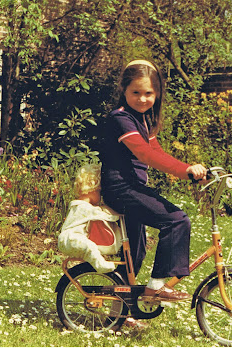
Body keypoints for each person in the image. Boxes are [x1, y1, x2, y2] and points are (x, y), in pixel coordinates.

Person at [99, 59, 207, 302]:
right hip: (121, 189)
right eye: (135, 92)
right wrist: (185, 170)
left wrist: (190, 171)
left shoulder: (144, 120)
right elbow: (144, 154)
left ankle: (120, 313)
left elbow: (156, 152)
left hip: (133, 188)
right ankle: (156, 286)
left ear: (157, 94)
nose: (142, 99)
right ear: (124, 90)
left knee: (134, 255)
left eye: (149, 93)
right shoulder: (121, 118)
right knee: (176, 220)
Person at [58, 163, 120, 274]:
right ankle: (100, 265)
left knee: (88, 245)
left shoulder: (80, 206)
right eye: (99, 192)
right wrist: (119, 212)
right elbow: (102, 214)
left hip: (71, 239)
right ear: (92, 189)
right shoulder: (83, 207)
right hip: (70, 239)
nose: (100, 197)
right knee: (89, 246)